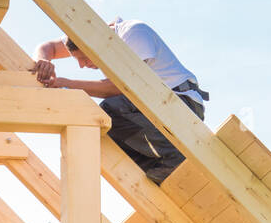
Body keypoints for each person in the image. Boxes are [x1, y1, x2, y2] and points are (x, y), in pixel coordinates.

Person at [33, 17, 208, 185]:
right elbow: (48, 47)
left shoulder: (133, 34)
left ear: (95, 43)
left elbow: (118, 88)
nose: (82, 65)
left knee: (109, 112)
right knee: (106, 133)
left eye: (84, 58)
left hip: (182, 104)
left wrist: (68, 84)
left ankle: (175, 157)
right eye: (77, 59)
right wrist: (42, 60)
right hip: (151, 109)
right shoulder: (84, 34)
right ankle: (160, 168)